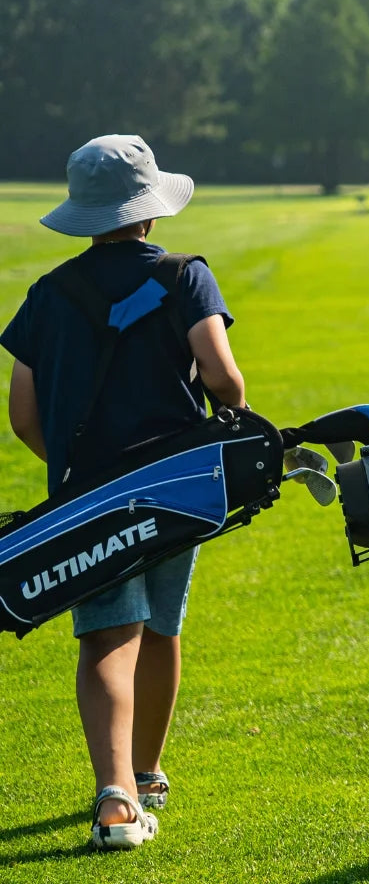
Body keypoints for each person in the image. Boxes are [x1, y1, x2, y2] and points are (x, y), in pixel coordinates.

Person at [1, 135, 246, 851]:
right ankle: (141, 776)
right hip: (176, 486)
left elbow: (23, 413)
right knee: (162, 627)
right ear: (150, 210)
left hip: (92, 494)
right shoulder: (185, 275)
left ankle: (117, 792)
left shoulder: (48, 295)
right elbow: (226, 382)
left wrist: (78, 467)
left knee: (108, 635)